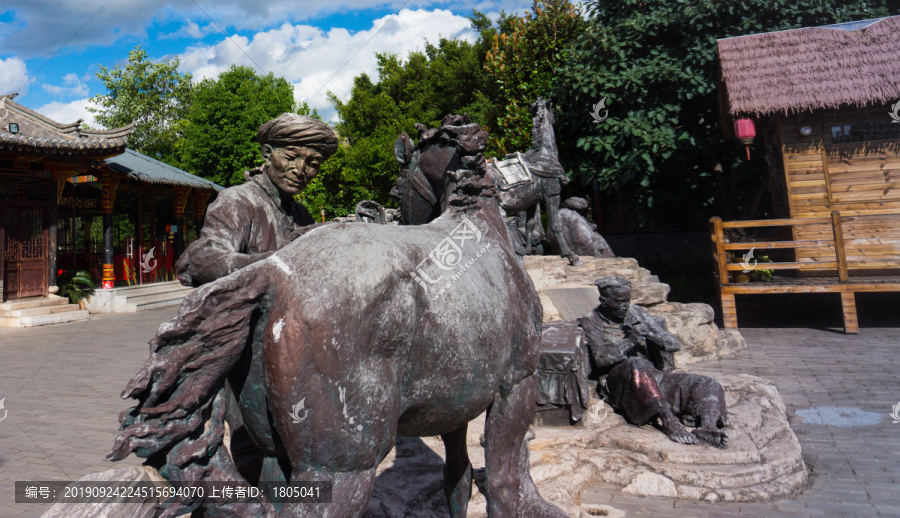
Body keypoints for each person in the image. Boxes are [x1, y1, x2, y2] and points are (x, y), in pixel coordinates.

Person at [176, 113, 338, 286]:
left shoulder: (301, 214)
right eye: (290, 158)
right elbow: (206, 261)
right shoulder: (236, 201)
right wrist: (281, 260)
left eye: (313, 164)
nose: (300, 170)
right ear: (267, 154)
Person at [578, 277, 730, 447]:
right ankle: (668, 420)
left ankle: (707, 428)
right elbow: (601, 359)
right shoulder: (591, 320)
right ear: (604, 301)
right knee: (636, 362)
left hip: (652, 377)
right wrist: (630, 341)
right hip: (620, 383)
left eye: (627, 300)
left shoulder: (636, 312)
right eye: (619, 301)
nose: (625, 305)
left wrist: (650, 333)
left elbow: (673, 344)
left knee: (706, 383)